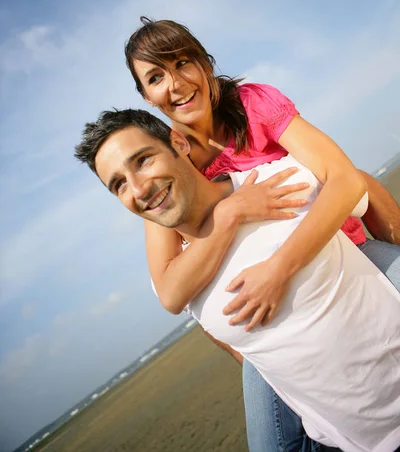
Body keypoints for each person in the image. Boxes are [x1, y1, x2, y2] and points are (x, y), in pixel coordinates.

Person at [123, 18, 400, 451]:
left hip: (346, 252)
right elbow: (173, 286)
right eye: (156, 77)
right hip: (265, 314)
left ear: (204, 62)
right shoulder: (167, 160)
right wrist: (260, 353)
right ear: (145, 96)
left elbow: (348, 180)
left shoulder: (253, 105)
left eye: (182, 63)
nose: (175, 85)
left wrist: (278, 269)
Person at [74, 109, 400, 452]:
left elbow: (361, 188)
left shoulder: (279, 180)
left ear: (178, 142)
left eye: (143, 160)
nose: (138, 189)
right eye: (119, 184)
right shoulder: (178, 278)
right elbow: (232, 342)